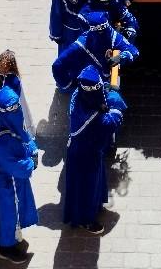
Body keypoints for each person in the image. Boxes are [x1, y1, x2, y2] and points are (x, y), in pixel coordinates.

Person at [62, 66, 126, 233]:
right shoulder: (93, 117)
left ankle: (95, 207)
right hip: (85, 156)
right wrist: (114, 99)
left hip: (85, 151)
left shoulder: (78, 95)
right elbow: (113, 121)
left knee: (93, 185)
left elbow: (99, 94)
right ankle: (85, 220)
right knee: (86, 188)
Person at [0, 85, 38, 264]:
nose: (16, 112)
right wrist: (31, 162)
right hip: (6, 183)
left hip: (16, 181)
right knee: (8, 215)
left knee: (15, 213)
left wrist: (33, 149)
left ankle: (13, 240)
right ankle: (6, 248)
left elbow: (24, 135)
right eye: (11, 109)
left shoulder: (7, 121)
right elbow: (16, 167)